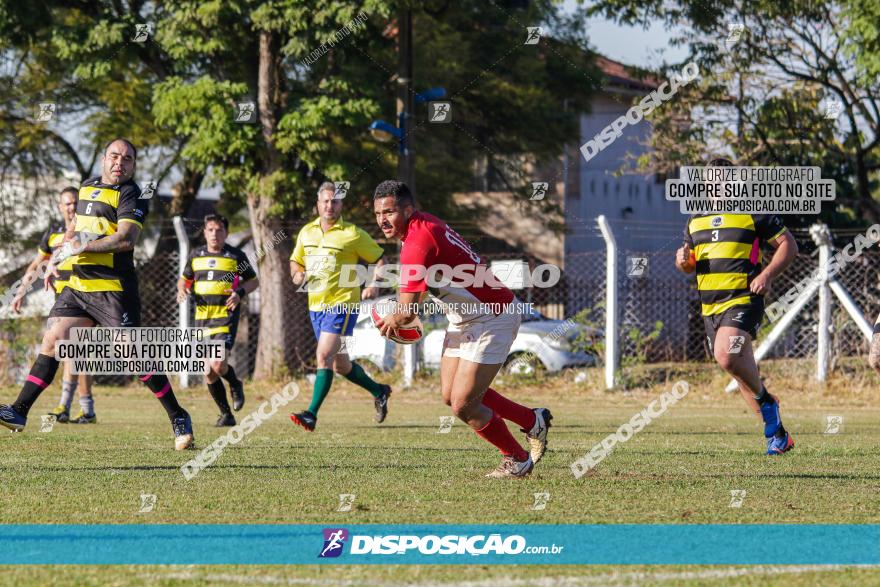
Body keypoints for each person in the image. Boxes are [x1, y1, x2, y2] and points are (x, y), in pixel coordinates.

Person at [0, 138, 195, 450]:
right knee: (53, 339)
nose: (120, 162)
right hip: (78, 286)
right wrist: (57, 257)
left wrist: (81, 247)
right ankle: (19, 411)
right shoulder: (87, 186)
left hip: (113, 289)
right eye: (115, 156)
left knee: (132, 354)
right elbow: (75, 228)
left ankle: (178, 414)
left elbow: (125, 239)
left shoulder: (133, 194)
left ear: (133, 165)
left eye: (128, 159)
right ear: (104, 159)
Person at [371, 180, 552, 478]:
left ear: (407, 209)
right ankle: (532, 420)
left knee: (463, 405)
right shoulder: (418, 228)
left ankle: (517, 459)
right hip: (464, 319)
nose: (382, 220)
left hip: (493, 316)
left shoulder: (417, 241)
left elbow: (406, 313)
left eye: (389, 212)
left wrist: (389, 321)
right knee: (451, 395)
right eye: (378, 213)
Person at [674, 157, 798, 455]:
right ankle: (778, 435)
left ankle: (768, 404)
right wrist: (683, 262)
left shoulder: (755, 214)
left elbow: (789, 245)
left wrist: (767, 274)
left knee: (727, 356)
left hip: (743, 299)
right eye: (713, 181)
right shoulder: (695, 220)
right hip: (709, 308)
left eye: (725, 180)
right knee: (739, 370)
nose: (719, 185)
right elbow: (691, 265)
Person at [289, 181, 392, 431]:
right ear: (318, 204)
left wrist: (374, 284)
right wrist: (297, 275)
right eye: (325, 201)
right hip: (316, 307)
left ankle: (311, 414)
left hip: (343, 305)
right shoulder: (307, 232)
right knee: (340, 365)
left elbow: (381, 260)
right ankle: (380, 391)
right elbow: (296, 262)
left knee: (323, 356)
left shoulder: (353, 234)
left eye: (335, 201)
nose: (329, 206)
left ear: (341, 204)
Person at [11, 187, 96, 424]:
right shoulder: (52, 234)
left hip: (88, 299)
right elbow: (37, 265)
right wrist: (20, 291)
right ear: (60, 207)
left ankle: (74, 407)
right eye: (67, 203)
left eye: (75, 203)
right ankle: (81, 408)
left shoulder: (88, 229)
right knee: (71, 352)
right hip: (63, 302)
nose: (71, 207)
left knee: (75, 352)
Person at [178, 214, 259, 426]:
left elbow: (253, 281)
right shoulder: (196, 256)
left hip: (225, 318)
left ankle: (235, 383)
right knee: (209, 372)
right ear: (204, 232)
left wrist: (239, 293)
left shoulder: (235, 257)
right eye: (211, 230)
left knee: (217, 363)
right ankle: (226, 414)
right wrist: (182, 291)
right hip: (203, 320)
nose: (215, 234)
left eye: (219, 230)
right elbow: (184, 280)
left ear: (227, 233)